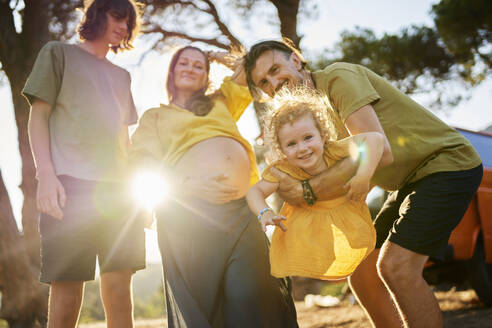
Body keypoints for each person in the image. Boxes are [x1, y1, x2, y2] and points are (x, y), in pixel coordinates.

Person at [244, 39, 483, 328]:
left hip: (446, 163)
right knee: (362, 272)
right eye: (263, 82)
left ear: (296, 60)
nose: (273, 82)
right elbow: (353, 169)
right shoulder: (309, 120)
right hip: (408, 182)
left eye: (275, 69)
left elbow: (379, 151)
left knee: (396, 268)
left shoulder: (338, 78)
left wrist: (310, 190)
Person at [130, 46, 298, 327]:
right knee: (203, 304)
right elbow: (141, 165)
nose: (190, 68)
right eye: (183, 63)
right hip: (188, 218)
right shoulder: (155, 117)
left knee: (253, 293)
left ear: (207, 75)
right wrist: (184, 184)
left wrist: (213, 54)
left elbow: (247, 67)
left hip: (240, 212)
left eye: (198, 66)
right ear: (171, 71)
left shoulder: (219, 102)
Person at [22, 1, 145, 327]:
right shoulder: (57, 53)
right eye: (117, 17)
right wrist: (46, 175)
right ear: (97, 14)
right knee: (66, 291)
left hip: (119, 194)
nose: (123, 26)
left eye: (128, 22)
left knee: (120, 291)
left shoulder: (122, 76)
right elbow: (39, 116)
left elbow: (124, 140)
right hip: (69, 187)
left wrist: (139, 196)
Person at [246, 87, 379, 281]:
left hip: (343, 208)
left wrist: (363, 176)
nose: (302, 148)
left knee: (360, 245)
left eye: (308, 138)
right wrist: (264, 212)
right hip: (308, 218)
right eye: (291, 144)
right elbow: (254, 192)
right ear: (282, 149)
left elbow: (374, 139)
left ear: (323, 135)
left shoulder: (333, 150)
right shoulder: (283, 169)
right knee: (313, 256)